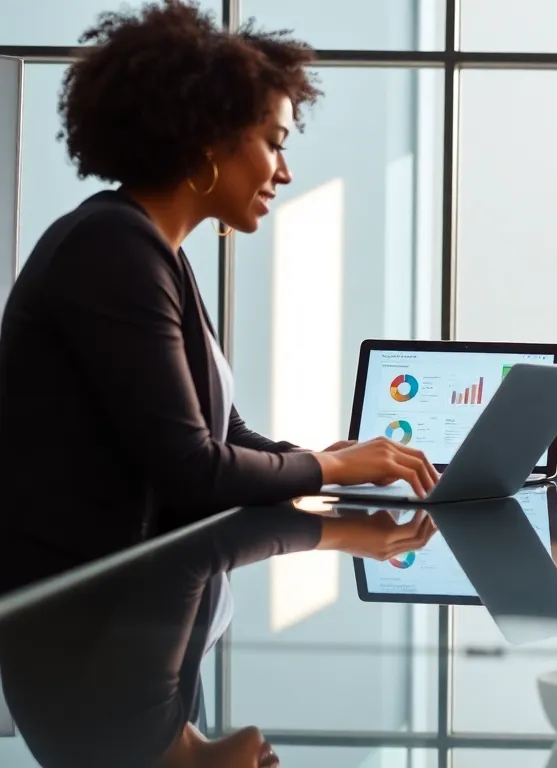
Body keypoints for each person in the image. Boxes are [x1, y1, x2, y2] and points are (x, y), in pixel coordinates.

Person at [0, 1, 438, 586]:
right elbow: (194, 470)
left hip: (131, 605)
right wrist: (330, 466)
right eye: (274, 142)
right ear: (210, 141)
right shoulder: (113, 248)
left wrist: (336, 463)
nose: (283, 172)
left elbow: (227, 437)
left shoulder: (154, 249)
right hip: (78, 610)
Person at [0, 502, 437, 767]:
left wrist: (338, 534)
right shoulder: (177, 735)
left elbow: (196, 548)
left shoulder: (130, 729)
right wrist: (314, 484)